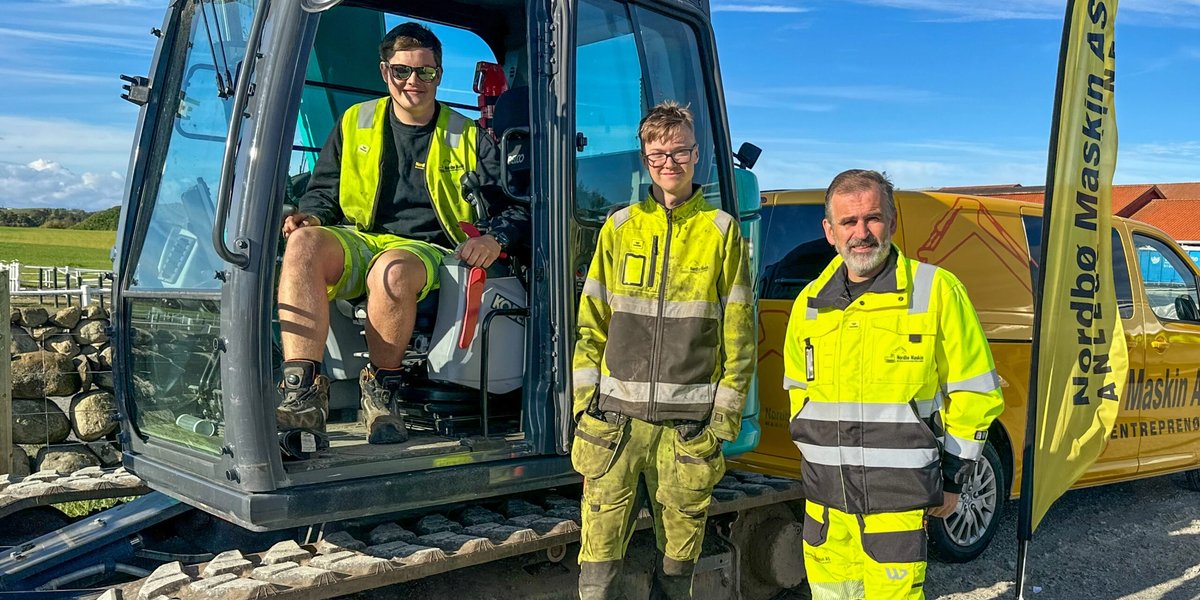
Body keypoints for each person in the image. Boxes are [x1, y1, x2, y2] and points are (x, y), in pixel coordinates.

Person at [275, 22, 527, 445]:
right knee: (303, 243)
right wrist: (312, 218)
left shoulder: (467, 136)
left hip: (424, 247)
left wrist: (493, 239)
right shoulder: (356, 121)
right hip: (360, 237)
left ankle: (381, 394)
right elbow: (323, 191)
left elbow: (513, 205)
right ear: (384, 72)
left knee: (391, 272)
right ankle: (303, 391)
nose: (414, 81)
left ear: (439, 75)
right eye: (402, 72)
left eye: (425, 72)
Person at [783, 169, 1004, 599]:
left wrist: (955, 477)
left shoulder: (936, 291)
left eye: (872, 219)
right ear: (829, 231)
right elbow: (798, 393)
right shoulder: (809, 304)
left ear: (893, 221)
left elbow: (976, 391)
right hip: (826, 503)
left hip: (897, 502)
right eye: (848, 222)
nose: (861, 233)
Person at [570, 101, 754, 599]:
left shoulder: (720, 233)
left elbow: (739, 336)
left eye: (679, 152)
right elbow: (592, 323)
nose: (668, 163)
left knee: (677, 565)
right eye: (657, 155)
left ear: (697, 156)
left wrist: (721, 424)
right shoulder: (620, 227)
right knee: (598, 562)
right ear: (644, 159)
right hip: (615, 428)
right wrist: (586, 405)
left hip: (686, 432)